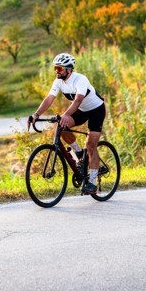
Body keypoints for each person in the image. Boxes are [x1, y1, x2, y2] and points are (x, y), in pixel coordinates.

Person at [27, 53, 106, 195]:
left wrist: (66, 114)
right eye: (55, 68)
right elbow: (49, 99)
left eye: (59, 68)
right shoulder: (58, 82)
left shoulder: (80, 79)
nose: (56, 71)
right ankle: (78, 152)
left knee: (91, 146)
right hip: (81, 111)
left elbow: (77, 100)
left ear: (69, 69)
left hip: (96, 110)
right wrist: (36, 115)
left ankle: (92, 184)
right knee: (61, 127)